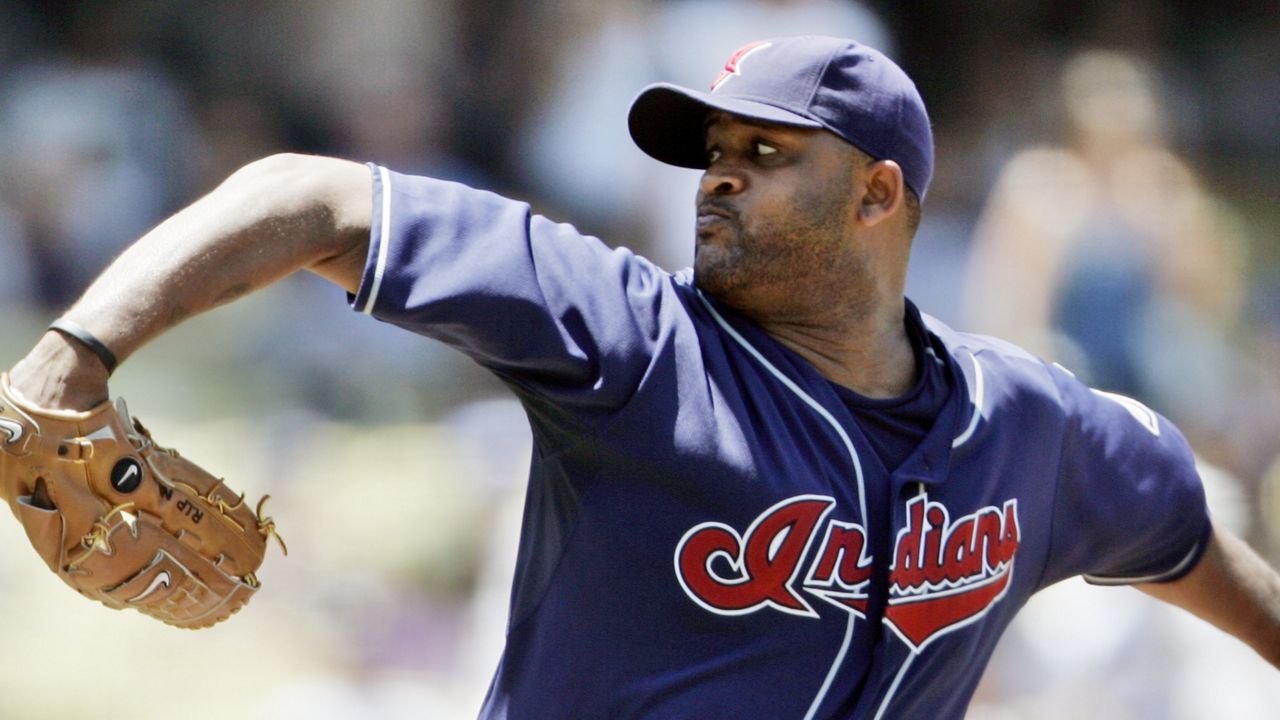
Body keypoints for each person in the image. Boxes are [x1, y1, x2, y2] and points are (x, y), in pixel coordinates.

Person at [5, 35, 1278, 719]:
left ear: (878, 195)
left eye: (765, 154)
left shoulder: (1028, 427)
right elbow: (311, 196)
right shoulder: (628, 336)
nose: (715, 174)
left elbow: (1183, 542)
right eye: (710, 150)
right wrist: (73, 358)